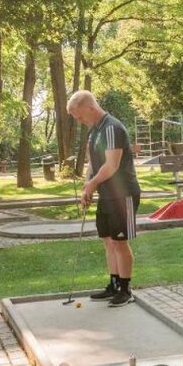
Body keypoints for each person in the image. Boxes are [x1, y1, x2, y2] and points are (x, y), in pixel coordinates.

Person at [68, 91, 142, 307]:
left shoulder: (112, 128)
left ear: (91, 108)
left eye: (80, 117)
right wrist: (87, 187)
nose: (80, 122)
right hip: (106, 194)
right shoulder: (95, 132)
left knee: (120, 242)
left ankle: (126, 290)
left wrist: (93, 184)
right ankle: (114, 284)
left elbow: (112, 165)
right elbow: (93, 163)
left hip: (123, 194)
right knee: (108, 241)